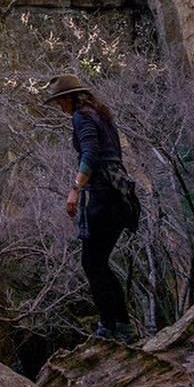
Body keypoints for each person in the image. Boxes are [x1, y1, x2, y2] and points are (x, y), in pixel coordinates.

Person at [45, 73, 132, 340]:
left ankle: (108, 327)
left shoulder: (82, 117)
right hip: (121, 196)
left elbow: (90, 154)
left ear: (71, 98)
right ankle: (122, 326)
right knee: (99, 263)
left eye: (61, 101)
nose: (60, 107)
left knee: (92, 263)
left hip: (104, 197)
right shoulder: (101, 115)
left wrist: (75, 189)